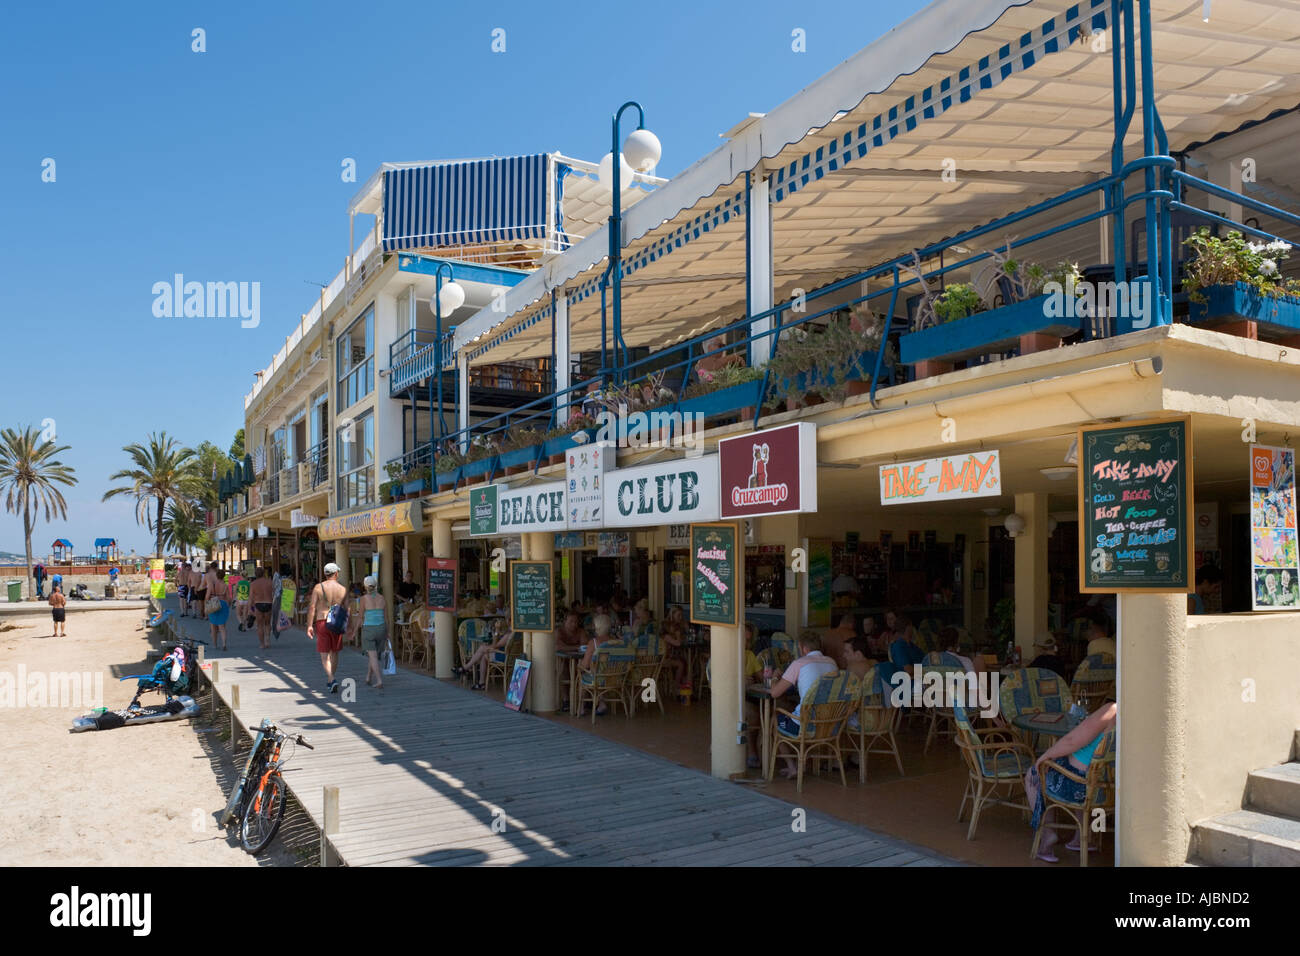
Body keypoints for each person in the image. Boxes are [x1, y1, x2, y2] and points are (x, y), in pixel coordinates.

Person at [1029, 700, 1118, 862]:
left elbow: (1071, 741)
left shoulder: (1112, 710)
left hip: (1078, 787)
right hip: (1111, 788)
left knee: (1033, 774)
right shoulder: (1141, 718)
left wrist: (1045, 756)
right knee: (1088, 773)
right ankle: (1084, 837)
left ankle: (1047, 836)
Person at [768, 630, 839, 779]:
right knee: (794, 711)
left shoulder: (799, 663)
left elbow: (775, 693)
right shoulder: (832, 663)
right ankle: (807, 761)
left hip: (806, 725)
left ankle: (792, 766)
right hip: (830, 724)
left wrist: (774, 677)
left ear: (803, 648)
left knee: (775, 720)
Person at [307, 563, 348, 694]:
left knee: (324, 655)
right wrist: (350, 626)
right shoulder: (343, 589)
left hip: (322, 621)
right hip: (337, 623)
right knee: (334, 652)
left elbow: (312, 607)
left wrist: (309, 625)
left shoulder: (318, 587)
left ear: (325, 574)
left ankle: (331, 678)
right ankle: (331, 680)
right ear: (336, 574)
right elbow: (347, 609)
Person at [463, 617, 514, 690]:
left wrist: (496, 631)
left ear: (509, 620)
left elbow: (495, 645)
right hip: (511, 657)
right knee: (483, 652)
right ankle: (475, 676)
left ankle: (467, 669)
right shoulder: (514, 632)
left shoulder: (509, 634)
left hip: (504, 657)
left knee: (483, 651)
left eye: (506, 619)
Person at [357, 575, 388, 690]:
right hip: (381, 629)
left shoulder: (364, 599)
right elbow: (386, 618)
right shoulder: (382, 598)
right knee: (373, 655)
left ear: (365, 587)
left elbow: (360, 617)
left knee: (373, 656)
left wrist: (354, 630)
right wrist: (387, 632)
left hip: (369, 629)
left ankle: (379, 680)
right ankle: (368, 677)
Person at [206, 566, 232, 651]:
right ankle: (224, 644)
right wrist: (229, 604)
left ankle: (215, 644)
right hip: (223, 604)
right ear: (224, 576)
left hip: (213, 602)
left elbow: (207, 597)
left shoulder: (212, 585)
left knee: (213, 626)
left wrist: (206, 607)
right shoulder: (225, 585)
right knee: (222, 626)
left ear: (216, 576)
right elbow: (229, 598)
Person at [250, 567, 274, 649]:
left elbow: (251, 598)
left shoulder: (253, 584)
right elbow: (274, 594)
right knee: (267, 623)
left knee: (260, 625)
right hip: (268, 603)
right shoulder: (270, 582)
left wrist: (250, 608)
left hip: (258, 604)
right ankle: (267, 640)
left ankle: (262, 644)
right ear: (264, 573)